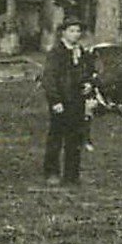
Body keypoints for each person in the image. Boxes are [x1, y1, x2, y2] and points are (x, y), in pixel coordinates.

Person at [41, 17, 90, 185]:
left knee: (75, 138)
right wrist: (55, 100)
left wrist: (88, 84)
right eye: (72, 31)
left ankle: (72, 175)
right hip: (61, 100)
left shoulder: (80, 52)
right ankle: (51, 172)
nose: (76, 35)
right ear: (64, 33)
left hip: (77, 100)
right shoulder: (56, 53)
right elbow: (49, 79)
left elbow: (86, 72)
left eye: (78, 31)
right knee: (56, 137)